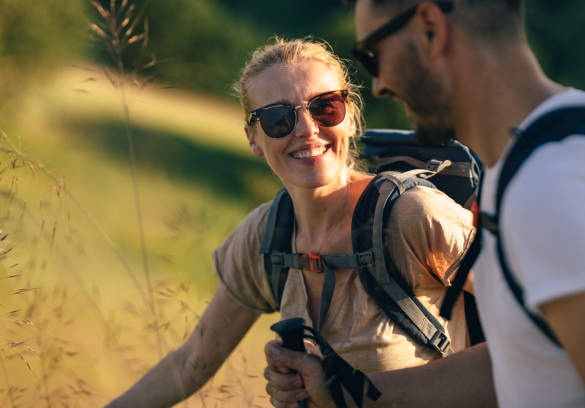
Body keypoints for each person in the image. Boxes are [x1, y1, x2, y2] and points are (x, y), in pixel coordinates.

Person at [264, 1, 585, 407]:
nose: (378, 86)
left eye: (373, 56)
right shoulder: (528, 162)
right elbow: (528, 358)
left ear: (430, 29)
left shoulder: (554, 182)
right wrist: (349, 393)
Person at [105, 37, 478, 407]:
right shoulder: (267, 236)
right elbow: (191, 363)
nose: (306, 129)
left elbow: (531, 326)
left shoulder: (413, 215)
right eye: (277, 118)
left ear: (349, 118)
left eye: (325, 107)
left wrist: (353, 393)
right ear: (253, 138)